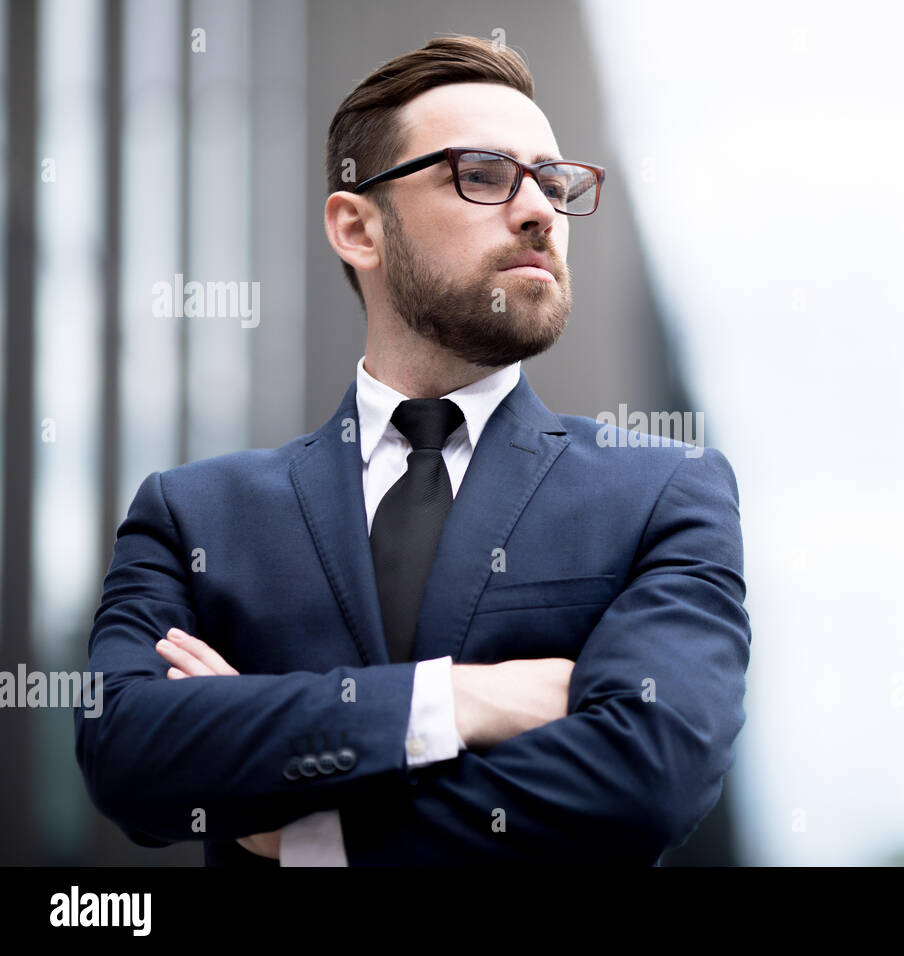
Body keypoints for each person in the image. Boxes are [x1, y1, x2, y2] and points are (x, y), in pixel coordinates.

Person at [74, 35, 749, 866]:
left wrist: (309, 832)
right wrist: (461, 699)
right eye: (484, 174)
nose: (539, 209)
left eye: (553, 180)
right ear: (358, 226)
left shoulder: (664, 492)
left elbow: (649, 777)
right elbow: (129, 754)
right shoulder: (196, 514)